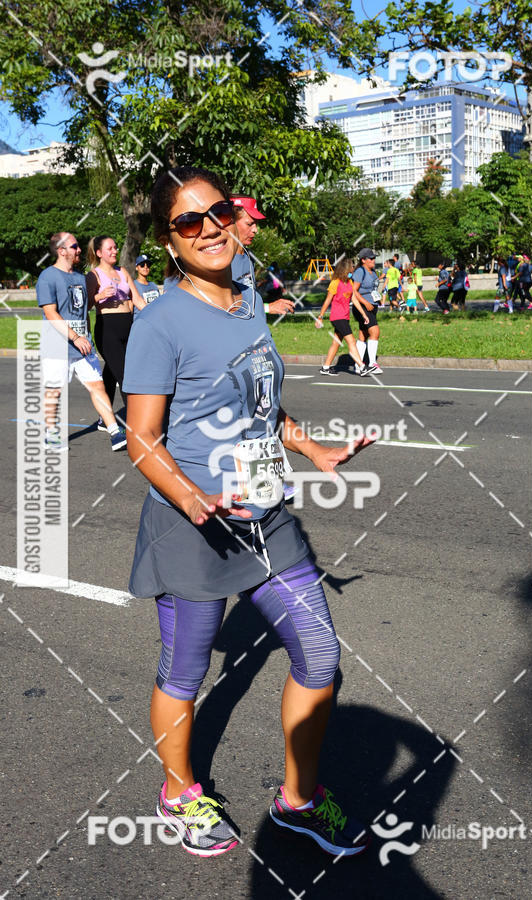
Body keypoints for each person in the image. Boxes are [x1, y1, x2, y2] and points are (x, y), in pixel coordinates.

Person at [122, 165, 373, 858]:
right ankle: (178, 793)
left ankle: (297, 801)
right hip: (193, 526)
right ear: (171, 243)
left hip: (266, 518)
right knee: (185, 673)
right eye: (188, 222)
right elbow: (141, 439)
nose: (209, 228)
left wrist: (312, 449)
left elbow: (258, 402)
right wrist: (194, 497)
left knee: (319, 655)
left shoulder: (250, 299)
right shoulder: (162, 322)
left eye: (219, 212)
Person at [36, 232, 127, 451]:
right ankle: (51, 433)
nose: (79, 250)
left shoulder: (79, 278)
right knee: (55, 390)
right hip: (57, 344)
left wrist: (85, 336)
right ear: (61, 251)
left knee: (97, 386)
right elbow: (51, 314)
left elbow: (83, 311)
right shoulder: (47, 277)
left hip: (82, 345)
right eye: (74, 246)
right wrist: (75, 337)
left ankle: (114, 430)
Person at [86, 236, 146, 429]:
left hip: (128, 327)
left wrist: (156, 315)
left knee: (112, 372)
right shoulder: (93, 275)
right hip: (107, 328)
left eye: (115, 247)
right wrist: (99, 296)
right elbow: (84, 306)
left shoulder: (123, 272)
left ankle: (105, 417)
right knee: (125, 374)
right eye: (109, 248)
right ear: (99, 253)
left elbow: (137, 299)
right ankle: (137, 423)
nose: (114, 251)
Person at [231, 195, 294, 316]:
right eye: (250, 224)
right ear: (231, 222)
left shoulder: (249, 256)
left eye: (256, 224)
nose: (255, 230)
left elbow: (249, 298)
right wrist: (267, 307)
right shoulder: (219, 261)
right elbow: (223, 305)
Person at [316, 259, 369, 375]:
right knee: (352, 341)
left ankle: (325, 367)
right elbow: (327, 301)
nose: (353, 270)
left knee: (336, 342)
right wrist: (320, 317)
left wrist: (364, 314)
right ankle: (362, 366)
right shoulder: (335, 282)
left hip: (345, 317)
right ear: (345, 269)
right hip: (337, 317)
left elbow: (354, 299)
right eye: (351, 268)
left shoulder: (349, 282)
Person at [352, 248, 382, 374]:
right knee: (375, 332)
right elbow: (354, 291)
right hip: (362, 307)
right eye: (371, 258)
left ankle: (358, 364)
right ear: (363, 260)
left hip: (372, 306)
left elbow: (373, 289)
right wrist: (365, 303)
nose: (373, 260)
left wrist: (377, 300)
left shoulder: (373, 271)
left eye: (374, 258)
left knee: (363, 335)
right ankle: (371, 364)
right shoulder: (360, 271)